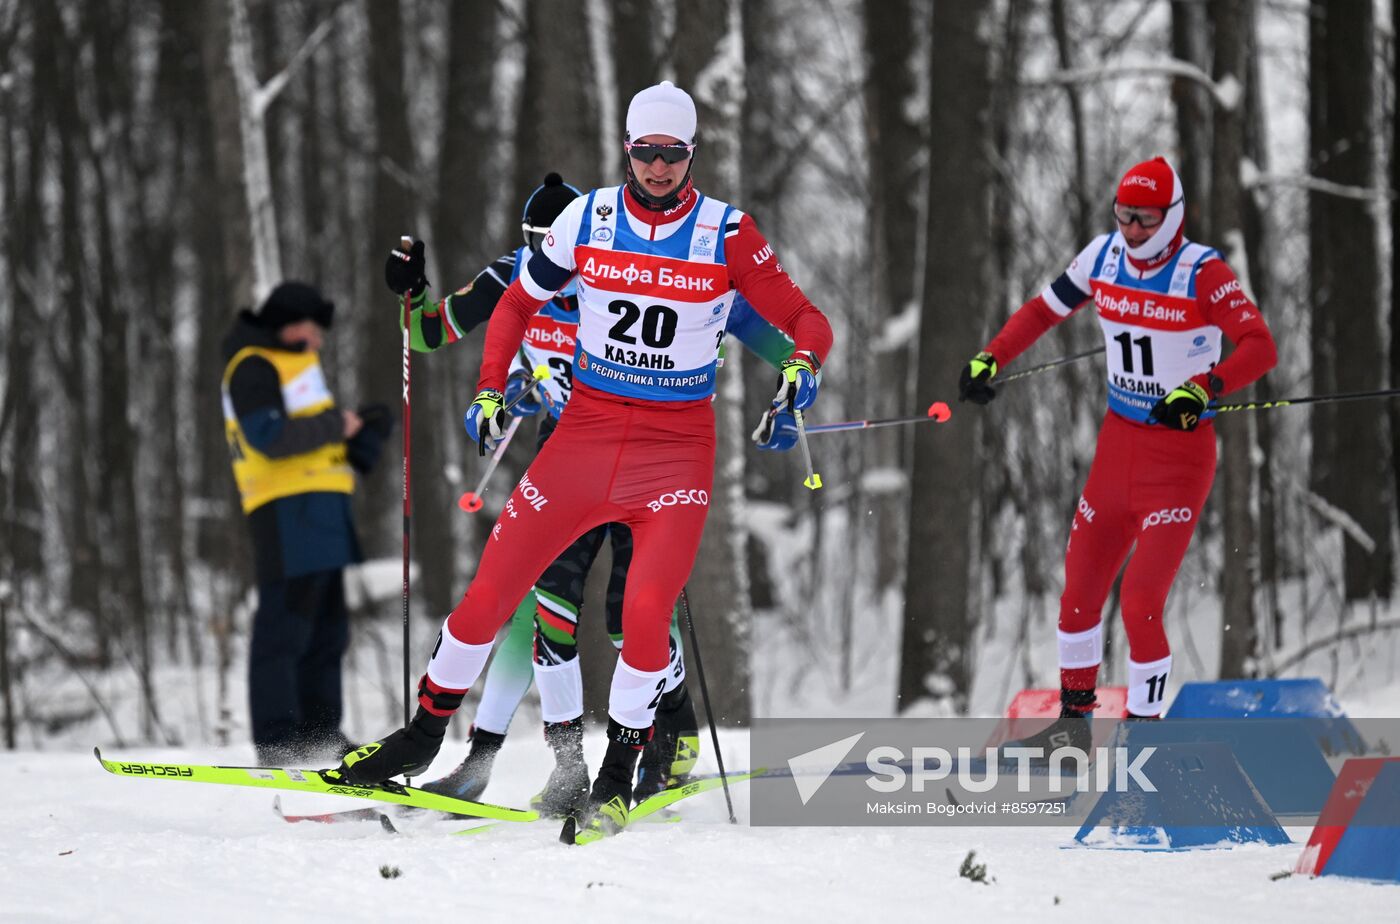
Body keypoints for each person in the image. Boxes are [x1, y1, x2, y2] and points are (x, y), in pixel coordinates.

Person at [340, 81, 833, 842]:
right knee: (491, 595)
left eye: (673, 154)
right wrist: (489, 388)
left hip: (674, 452)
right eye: (646, 152)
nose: (659, 167)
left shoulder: (726, 233)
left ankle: (619, 775)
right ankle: (421, 738)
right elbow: (510, 305)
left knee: (640, 615)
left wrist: (800, 369)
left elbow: (802, 318)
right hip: (582, 441)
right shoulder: (586, 220)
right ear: (627, 150)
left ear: (692, 153)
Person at [959, 157, 1277, 745]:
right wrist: (992, 356)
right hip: (1117, 448)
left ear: (1173, 217)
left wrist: (1204, 387)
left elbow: (1260, 346)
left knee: (1140, 602)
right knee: (1078, 591)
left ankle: (1144, 739)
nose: (1132, 230)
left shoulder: (1202, 272)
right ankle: (1072, 728)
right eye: (1123, 216)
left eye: (1145, 219)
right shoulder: (1103, 257)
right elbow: (1043, 310)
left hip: (1177, 461)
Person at [221, 282, 393, 764]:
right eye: (312, 330)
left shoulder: (299, 365)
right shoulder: (254, 365)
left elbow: (319, 438)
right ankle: (277, 740)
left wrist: (364, 432)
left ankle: (319, 734)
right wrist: (338, 425)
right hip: (285, 509)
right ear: (288, 324)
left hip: (323, 507)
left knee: (328, 628)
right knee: (285, 625)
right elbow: (268, 435)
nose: (317, 340)